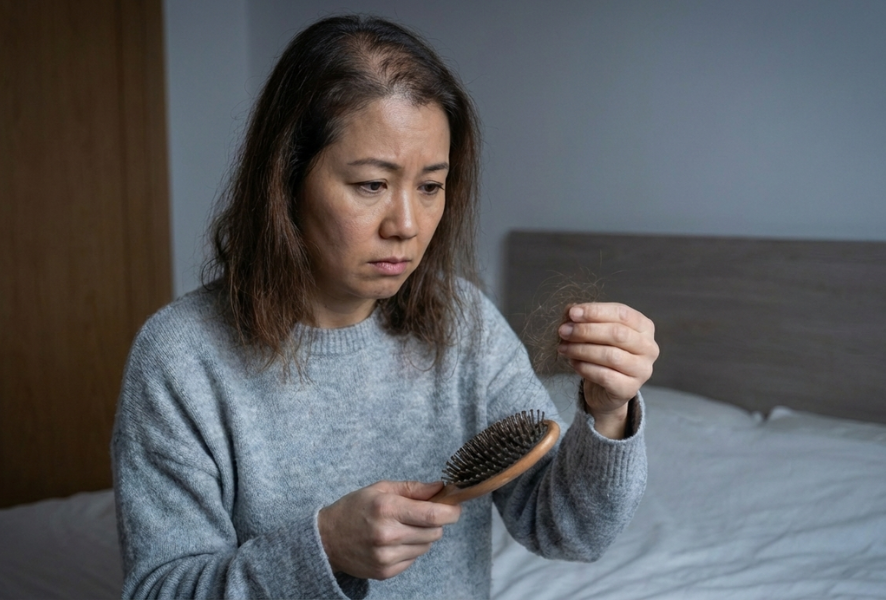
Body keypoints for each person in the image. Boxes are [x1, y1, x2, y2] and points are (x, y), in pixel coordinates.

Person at [112, 14, 659, 600]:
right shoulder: (180, 358)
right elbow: (159, 590)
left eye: (430, 187)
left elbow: (569, 531)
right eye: (372, 185)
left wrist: (608, 414)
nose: (407, 226)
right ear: (285, 180)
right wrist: (321, 549)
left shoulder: (463, 322)